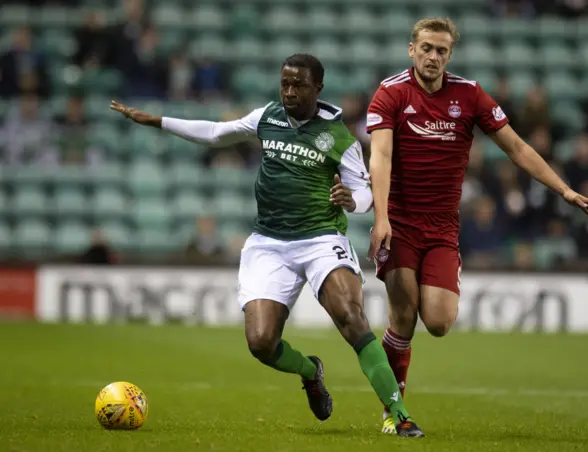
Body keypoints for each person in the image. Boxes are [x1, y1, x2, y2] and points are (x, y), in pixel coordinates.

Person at [111, 54, 424, 437]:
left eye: (299, 85)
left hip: (321, 239)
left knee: (352, 318)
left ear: (318, 88)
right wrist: (158, 121)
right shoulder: (267, 117)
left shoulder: (339, 136)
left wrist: (350, 200)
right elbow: (215, 133)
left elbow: (364, 195)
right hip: (268, 243)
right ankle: (311, 371)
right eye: (285, 84)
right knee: (260, 342)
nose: (290, 92)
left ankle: (399, 412)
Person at [366, 18, 588, 434]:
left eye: (441, 50)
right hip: (401, 221)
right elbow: (380, 158)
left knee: (439, 322)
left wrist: (564, 191)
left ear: (450, 55)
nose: (433, 56)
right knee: (403, 315)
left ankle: (393, 386)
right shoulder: (391, 92)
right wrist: (382, 217)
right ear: (412, 49)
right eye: (426, 48)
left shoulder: (469, 94)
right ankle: (394, 411)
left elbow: (516, 147)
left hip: (442, 227)